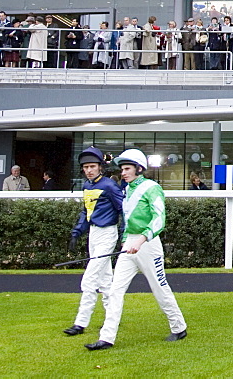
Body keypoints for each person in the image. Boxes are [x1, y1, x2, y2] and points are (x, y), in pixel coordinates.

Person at [86, 149, 187, 350]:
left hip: (148, 245)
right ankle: (106, 338)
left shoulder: (152, 188)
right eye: (122, 169)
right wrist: (126, 240)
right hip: (129, 246)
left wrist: (140, 241)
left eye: (127, 169)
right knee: (115, 290)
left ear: (139, 169)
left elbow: (159, 219)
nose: (123, 173)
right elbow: (127, 219)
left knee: (159, 288)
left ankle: (179, 327)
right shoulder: (128, 190)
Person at [64, 147, 125, 337]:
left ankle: (80, 323)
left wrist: (124, 235)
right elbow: (86, 212)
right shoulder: (86, 186)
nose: (89, 170)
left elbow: (124, 210)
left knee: (89, 279)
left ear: (100, 167)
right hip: (93, 233)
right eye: (86, 167)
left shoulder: (109, 186)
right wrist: (76, 232)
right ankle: (111, 318)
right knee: (105, 280)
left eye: (92, 166)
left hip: (108, 233)